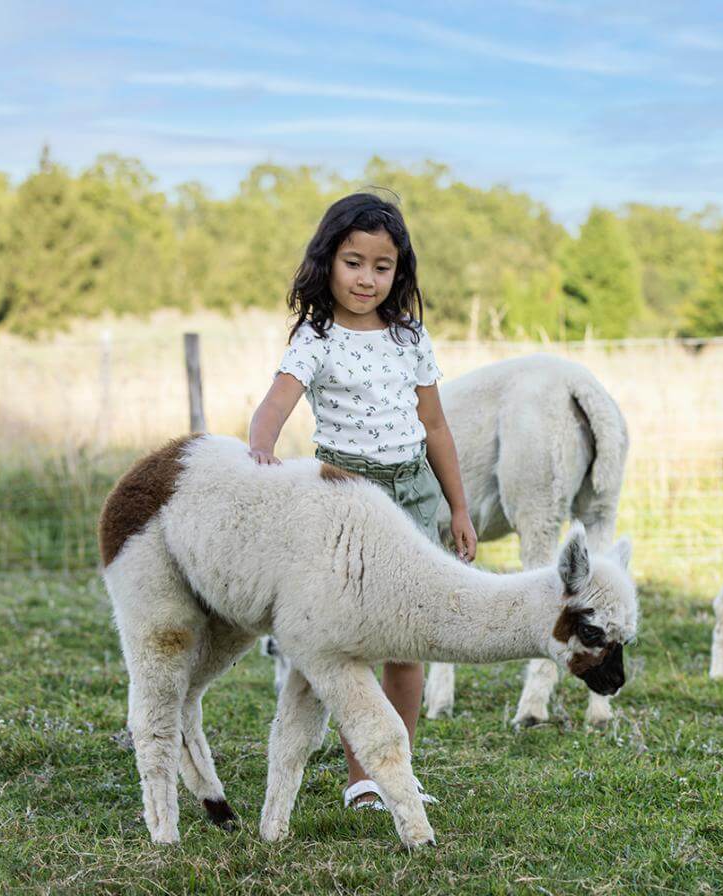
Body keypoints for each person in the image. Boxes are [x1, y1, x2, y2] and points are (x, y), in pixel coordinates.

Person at [247, 191, 478, 811]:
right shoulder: (315, 337)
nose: (367, 278)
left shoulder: (410, 338)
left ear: (399, 271)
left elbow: (435, 427)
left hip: (412, 491)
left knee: (410, 642)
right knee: (356, 643)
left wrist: (456, 508)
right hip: (345, 495)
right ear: (328, 260)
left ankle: (397, 768)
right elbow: (276, 402)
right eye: (354, 262)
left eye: (383, 266)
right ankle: (362, 778)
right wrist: (262, 450)